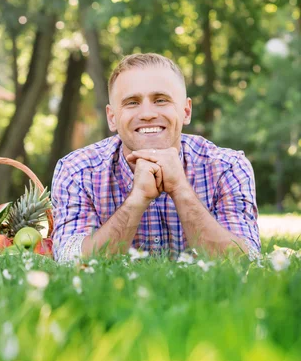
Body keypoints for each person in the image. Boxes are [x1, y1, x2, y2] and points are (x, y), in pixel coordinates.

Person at [51, 53, 260, 263]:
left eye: (160, 100)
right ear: (112, 118)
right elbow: (71, 261)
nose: (148, 114)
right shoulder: (76, 171)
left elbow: (245, 262)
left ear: (186, 111)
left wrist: (180, 189)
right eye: (132, 103)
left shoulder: (228, 167)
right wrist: (137, 199)